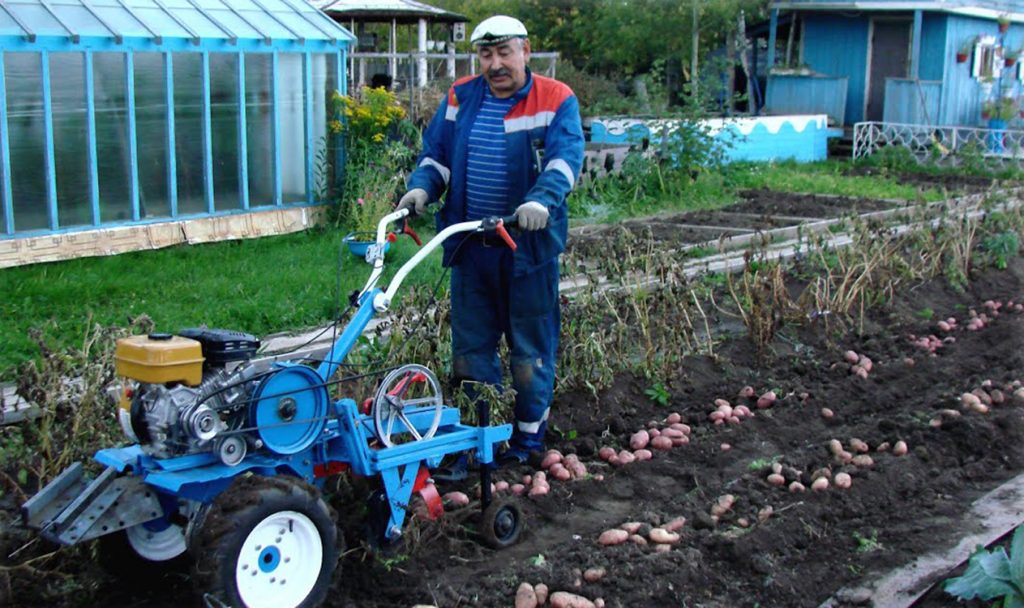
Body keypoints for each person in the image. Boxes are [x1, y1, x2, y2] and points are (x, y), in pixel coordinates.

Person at [396, 15, 584, 469]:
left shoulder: (555, 98)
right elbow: (437, 155)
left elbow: (564, 159)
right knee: (471, 347)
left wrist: (541, 200)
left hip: (525, 250)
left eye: (504, 53)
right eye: (486, 54)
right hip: (470, 246)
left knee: (530, 347)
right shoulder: (462, 95)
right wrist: (422, 188)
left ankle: (526, 440)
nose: (496, 64)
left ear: (525, 51)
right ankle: (479, 438)